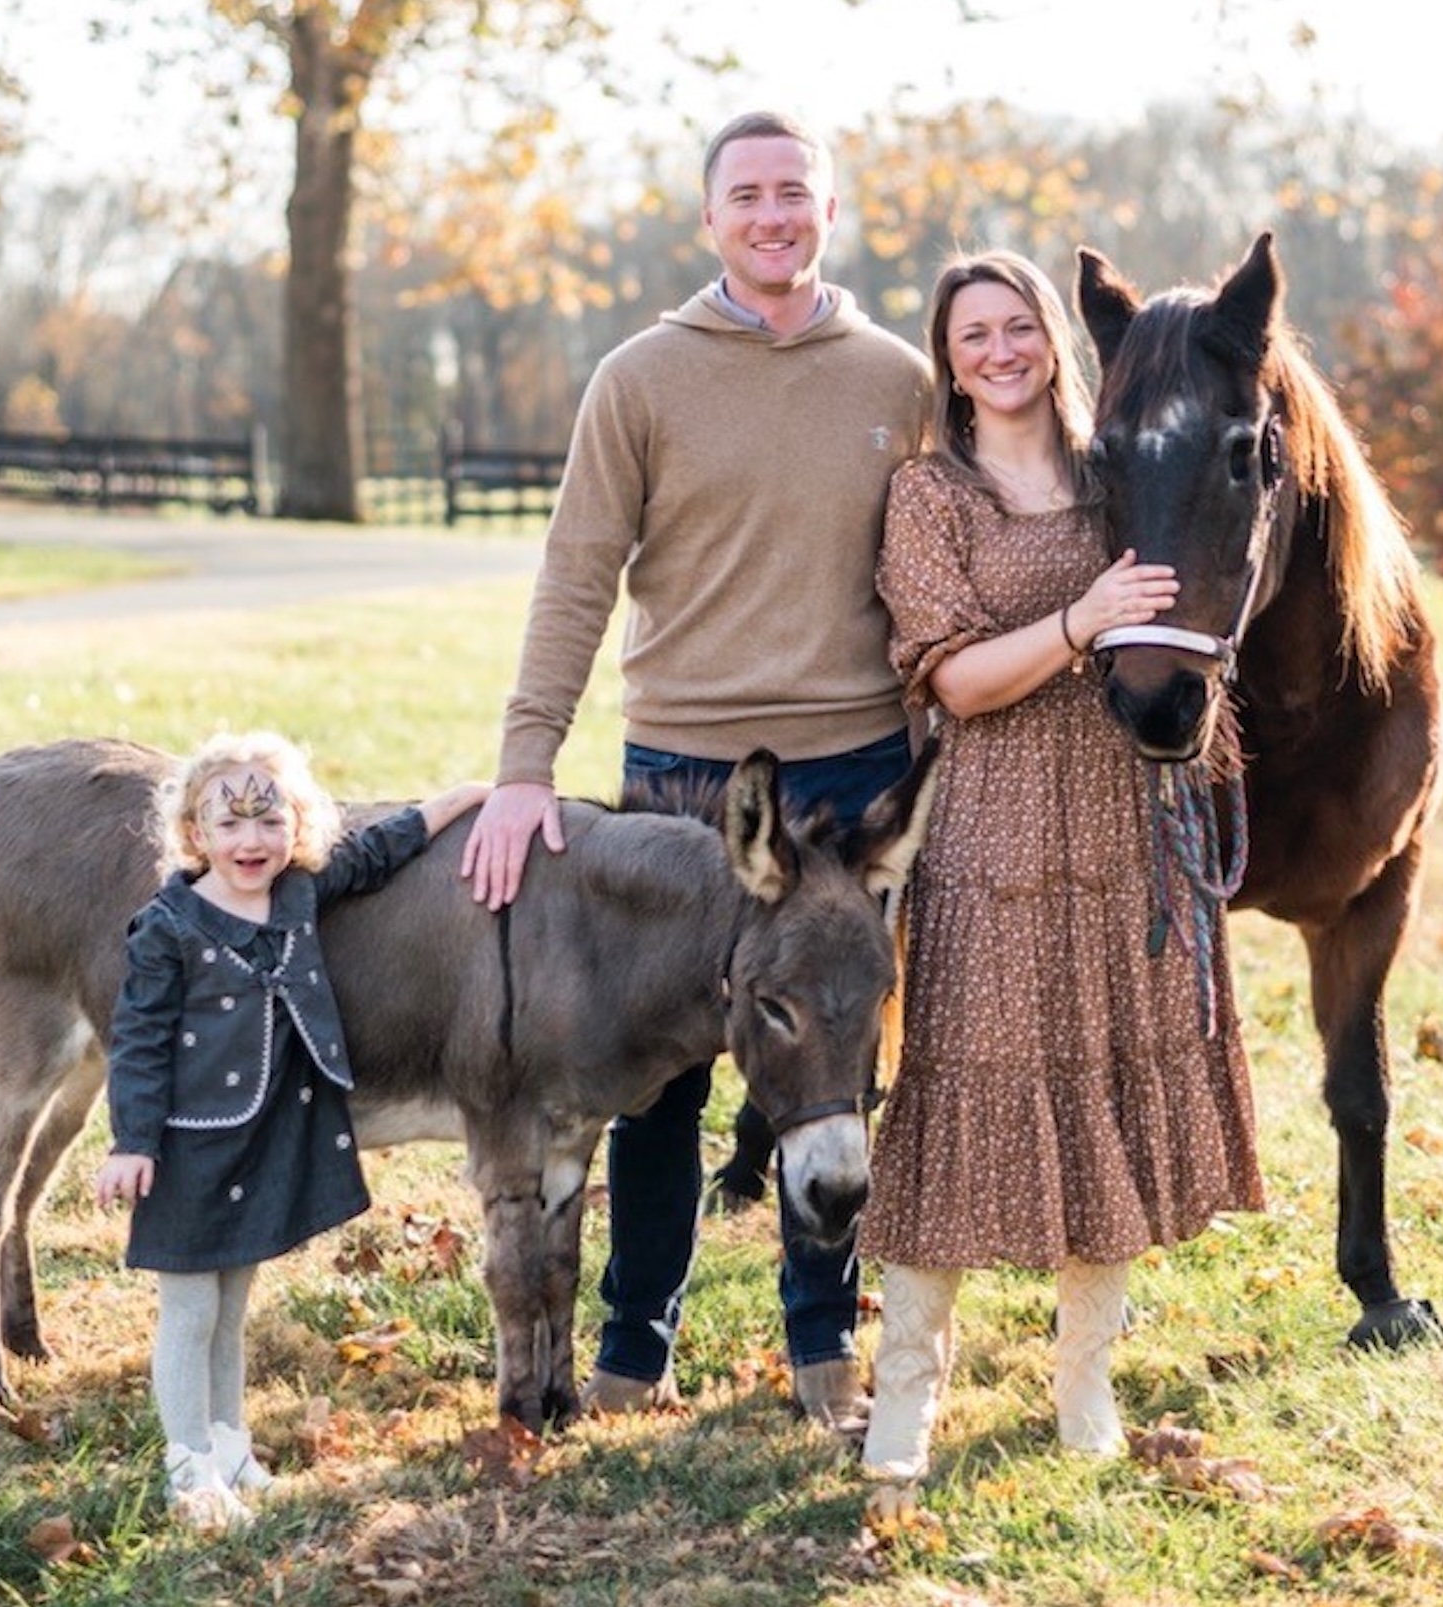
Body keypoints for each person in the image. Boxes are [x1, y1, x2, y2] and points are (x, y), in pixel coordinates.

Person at [459, 109, 932, 1433]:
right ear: (710, 217)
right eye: (748, 195)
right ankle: (634, 1339)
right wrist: (522, 765)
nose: (773, 214)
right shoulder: (641, 377)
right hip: (681, 773)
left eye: (797, 193)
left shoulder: (898, 380)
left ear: (827, 213)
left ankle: (821, 1341)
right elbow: (574, 580)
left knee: (831, 1066)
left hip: (850, 766)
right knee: (656, 1075)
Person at [857, 251, 1266, 1509]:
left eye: (1017, 325)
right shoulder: (932, 494)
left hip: (1118, 810)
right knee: (956, 1085)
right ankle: (906, 1397)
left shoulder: (1112, 481)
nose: (999, 349)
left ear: (1052, 339)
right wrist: (1080, 621)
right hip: (988, 824)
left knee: (1108, 1079)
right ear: (949, 354)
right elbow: (953, 682)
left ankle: (1084, 1383)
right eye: (972, 332)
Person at [95, 731, 488, 1531]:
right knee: (190, 1309)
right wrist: (132, 1142)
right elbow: (137, 1039)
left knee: (233, 1304)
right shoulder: (169, 925)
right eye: (229, 824)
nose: (251, 840)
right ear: (196, 834)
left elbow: (379, 850)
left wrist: (464, 797)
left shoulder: (299, 893)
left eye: (269, 821)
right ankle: (188, 1469)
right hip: (185, 1143)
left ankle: (231, 1445)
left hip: (258, 1137)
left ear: (297, 825)